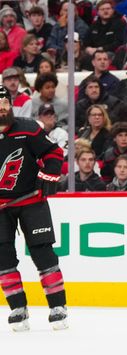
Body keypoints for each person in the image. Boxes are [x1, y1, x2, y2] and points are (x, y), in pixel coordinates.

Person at [0, 85, 67, 331]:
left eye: (5, 102)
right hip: (1, 207)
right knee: (3, 257)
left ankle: (57, 307)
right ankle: (18, 308)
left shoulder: (28, 128)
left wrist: (49, 176)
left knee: (43, 253)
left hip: (31, 200)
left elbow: (53, 152)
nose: (2, 108)